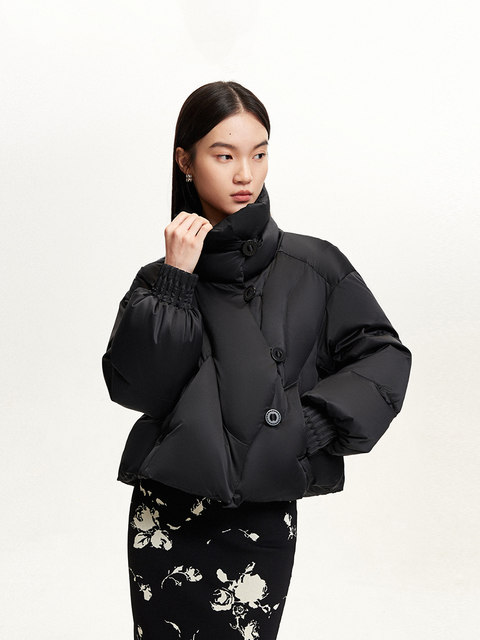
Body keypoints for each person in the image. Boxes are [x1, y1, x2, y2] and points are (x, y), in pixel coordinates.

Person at [101, 80, 412, 640]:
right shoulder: (159, 280)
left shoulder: (314, 265)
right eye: (225, 156)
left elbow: (382, 355)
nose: (246, 174)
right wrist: (177, 280)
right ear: (186, 162)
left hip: (260, 510)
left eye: (259, 154)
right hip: (167, 512)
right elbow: (141, 391)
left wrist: (312, 424)